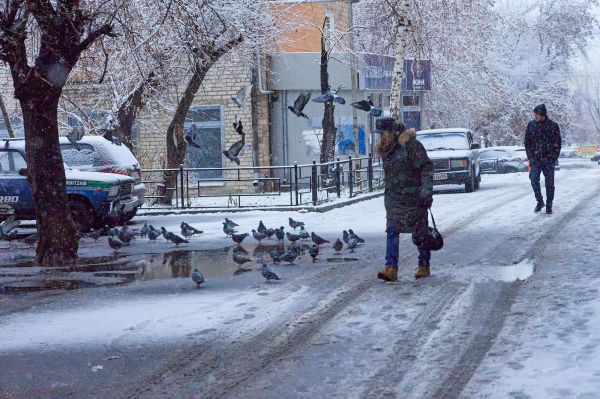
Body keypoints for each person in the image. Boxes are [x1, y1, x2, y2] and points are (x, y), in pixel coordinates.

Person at [376, 117, 434, 282]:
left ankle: (423, 265)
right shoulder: (387, 149)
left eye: (384, 133)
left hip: (414, 198)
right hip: (394, 200)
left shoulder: (411, 145)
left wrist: (426, 191)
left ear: (393, 132)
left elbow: (426, 167)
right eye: (379, 134)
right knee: (392, 230)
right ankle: (391, 268)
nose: (381, 137)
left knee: (420, 232)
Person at [524, 104, 561, 214]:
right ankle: (540, 201)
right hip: (535, 159)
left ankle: (549, 205)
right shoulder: (531, 125)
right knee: (533, 179)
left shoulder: (553, 126)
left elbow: (558, 143)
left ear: (542, 114)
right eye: (535, 114)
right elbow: (527, 142)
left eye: (537, 114)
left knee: (549, 184)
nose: (535, 116)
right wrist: (530, 157)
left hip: (549, 160)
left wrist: (553, 157)